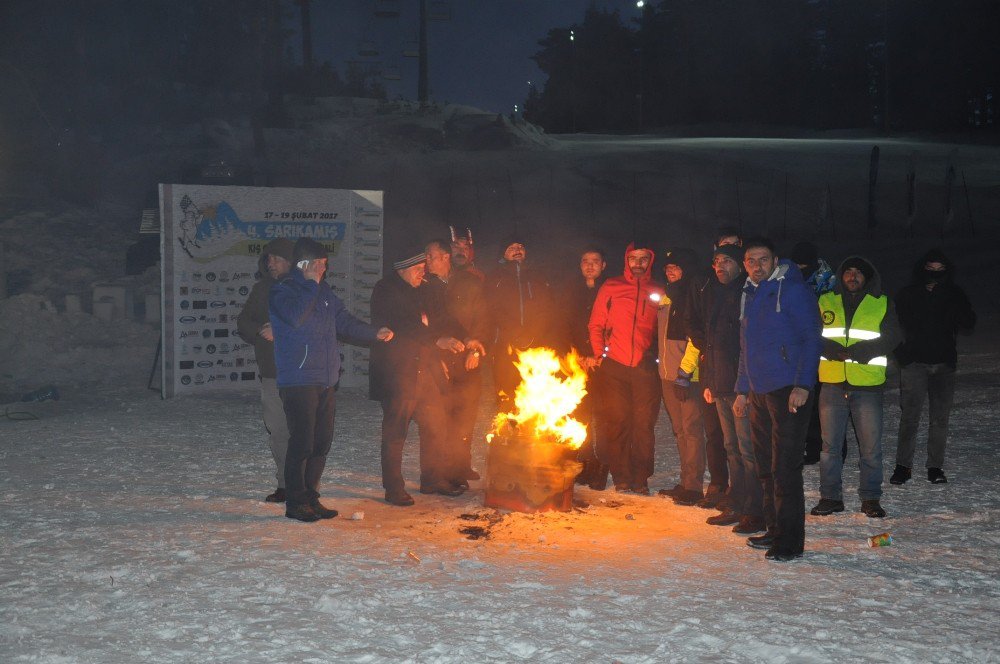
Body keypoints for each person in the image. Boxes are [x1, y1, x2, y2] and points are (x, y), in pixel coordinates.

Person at [270, 237, 393, 522]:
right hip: (298, 379)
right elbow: (295, 318)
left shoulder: (324, 292)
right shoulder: (283, 291)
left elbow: (344, 321)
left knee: (321, 442)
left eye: (325, 265)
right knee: (301, 442)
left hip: (325, 380)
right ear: (306, 265)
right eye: (320, 265)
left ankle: (311, 498)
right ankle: (295, 501)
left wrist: (373, 332)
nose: (324, 270)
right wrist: (311, 285)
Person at [733, 237, 822, 561]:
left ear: (775, 260)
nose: (757, 266)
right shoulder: (750, 293)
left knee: (785, 468)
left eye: (763, 260)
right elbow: (746, 347)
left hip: (788, 391)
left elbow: (812, 337)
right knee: (766, 467)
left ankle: (789, 542)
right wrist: (743, 389)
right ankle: (773, 529)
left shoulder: (794, 290)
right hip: (759, 391)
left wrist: (803, 385)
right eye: (751, 261)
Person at [370, 249, 471, 506]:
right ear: (403, 268)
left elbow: (443, 317)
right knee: (396, 431)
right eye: (418, 269)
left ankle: (432, 478)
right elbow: (404, 324)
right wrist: (438, 340)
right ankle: (393, 487)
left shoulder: (424, 289)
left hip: (426, 369)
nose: (422, 273)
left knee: (435, 423)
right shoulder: (386, 290)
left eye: (424, 268)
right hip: (398, 371)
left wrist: (466, 336)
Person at [811, 256, 900, 519]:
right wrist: (831, 349)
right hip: (832, 383)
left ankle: (871, 499)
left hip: (867, 385)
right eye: (847, 271)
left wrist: (863, 351)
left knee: (870, 447)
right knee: (829, 447)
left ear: (867, 277)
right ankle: (830, 497)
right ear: (841, 275)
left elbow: (894, 336)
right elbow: (812, 333)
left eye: (858, 273)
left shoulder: (881, 302)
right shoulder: (825, 300)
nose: (852, 276)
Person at [687, 244, 766, 534]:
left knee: (747, 450)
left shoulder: (746, 294)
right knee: (731, 448)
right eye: (717, 260)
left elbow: (748, 345)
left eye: (727, 261)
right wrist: (708, 381)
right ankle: (738, 502)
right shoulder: (713, 294)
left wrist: (743, 389)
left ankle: (754, 509)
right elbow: (708, 343)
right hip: (719, 384)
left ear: (740, 265)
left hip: (740, 385)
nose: (720, 266)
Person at [890, 248, 976, 485]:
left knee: (939, 419)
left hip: (944, 364)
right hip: (914, 364)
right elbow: (894, 324)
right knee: (909, 417)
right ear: (922, 269)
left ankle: (935, 467)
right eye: (931, 269)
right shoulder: (909, 293)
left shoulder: (954, 293)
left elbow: (968, 321)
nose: (935, 274)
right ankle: (903, 466)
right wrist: (901, 355)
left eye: (940, 270)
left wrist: (947, 298)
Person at [588, 242, 665, 494]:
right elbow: (595, 324)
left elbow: (665, 326)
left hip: (644, 367)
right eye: (634, 258)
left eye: (644, 258)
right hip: (615, 366)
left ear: (650, 261)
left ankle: (640, 477)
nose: (638, 263)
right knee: (618, 420)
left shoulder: (658, 289)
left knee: (643, 423)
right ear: (626, 260)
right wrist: (601, 354)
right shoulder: (612, 286)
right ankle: (621, 476)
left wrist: (655, 355)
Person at [423, 238, 489, 484]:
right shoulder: (425, 285)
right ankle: (446, 471)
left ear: (445, 257)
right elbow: (424, 324)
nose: (427, 261)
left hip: (468, 357)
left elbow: (483, 317)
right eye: (426, 257)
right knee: (445, 416)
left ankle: (462, 465)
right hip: (439, 359)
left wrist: (476, 350)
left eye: (431, 256)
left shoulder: (469, 282)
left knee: (466, 414)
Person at [236, 237, 294, 503]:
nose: (271, 263)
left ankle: (305, 483)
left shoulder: (305, 288)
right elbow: (244, 321)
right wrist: (258, 330)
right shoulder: (262, 290)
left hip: (302, 373)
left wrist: (280, 331)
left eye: (276, 258)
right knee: (279, 431)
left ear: (291, 261)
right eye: (268, 259)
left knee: (304, 432)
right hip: (272, 372)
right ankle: (285, 483)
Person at [654, 247, 708, 506]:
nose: (670, 271)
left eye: (675, 267)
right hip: (667, 374)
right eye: (667, 268)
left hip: (687, 376)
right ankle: (686, 482)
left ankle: (695, 487)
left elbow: (695, 340)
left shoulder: (692, 295)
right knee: (679, 430)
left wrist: (685, 373)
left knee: (691, 429)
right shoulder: (666, 297)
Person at [486, 237, 555, 410]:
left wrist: (533, 333)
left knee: (535, 391)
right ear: (503, 253)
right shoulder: (495, 277)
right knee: (506, 390)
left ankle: (533, 431)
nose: (517, 249)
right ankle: (508, 430)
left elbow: (547, 307)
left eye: (521, 246)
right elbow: (491, 308)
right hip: (505, 343)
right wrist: (514, 332)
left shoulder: (537, 275)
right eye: (512, 247)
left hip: (536, 343)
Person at [560, 246, 609, 489]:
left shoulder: (610, 291)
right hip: (577, 364)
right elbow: (564, 324)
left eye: (595, 261)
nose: (590, 265)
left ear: (603, 265)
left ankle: (602, 465)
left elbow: (614, 328)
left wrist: (601, 355)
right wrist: (574, 355)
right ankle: (586, 462)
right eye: (585, 261)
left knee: (603, 416)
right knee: (580, 415)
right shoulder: (571, 292)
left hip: (605, 364)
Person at [789, 240, 837, 465]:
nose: (800, 269)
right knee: (799, 398)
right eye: (797, 265)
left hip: (823, 347)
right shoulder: (787, 279)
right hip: (795, 348)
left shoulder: (828, 283)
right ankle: (804, 444)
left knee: (819, 400)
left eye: (804, 265)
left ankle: (819, 445)